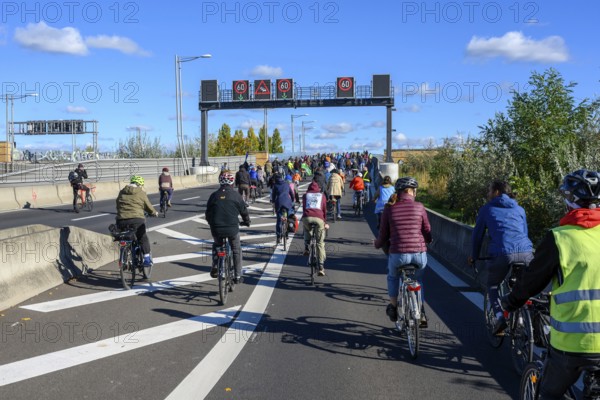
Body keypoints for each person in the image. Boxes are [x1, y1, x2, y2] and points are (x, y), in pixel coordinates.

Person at [501, 169, 600, 399]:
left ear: (571, 201)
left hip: (572, 344)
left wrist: (511, 301)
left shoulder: (559, 238)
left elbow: (532, 281)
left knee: (548, 393)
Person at [468, 180, 534, 335]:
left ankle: (499, 318)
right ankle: (525, 320)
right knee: (524, 286)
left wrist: (474, 256)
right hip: (526, 252)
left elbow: (477, 236)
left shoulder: (487, 209)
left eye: (489, 190)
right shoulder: (520, 209)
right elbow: (524, 232)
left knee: (492, 285)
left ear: (497, 192)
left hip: (502, 253)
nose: (487, 193)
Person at [374, 177, 432, 327]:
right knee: (418, 281)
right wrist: (428, 240)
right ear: (411, 191)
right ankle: (420, 311)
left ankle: (393, 307)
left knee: (393, 277)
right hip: (419, 255)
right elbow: (427, 230)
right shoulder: (420, 207)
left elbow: (383, 234)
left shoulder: (389, 208)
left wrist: (377, 244)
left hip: (398, 254)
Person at [205, 172, 251, 283]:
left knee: (217, 245)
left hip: (216, 228)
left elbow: (207, 214)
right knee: (236, 249)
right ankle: (238, 275)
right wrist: (246, 221)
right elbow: (244, 211)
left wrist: (212, 223)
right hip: (232, 229)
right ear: (232, 183)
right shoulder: (236, 196)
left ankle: (215, 264)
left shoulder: (214, 196)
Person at [116, 175, 158, 267]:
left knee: (125, 238)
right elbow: (148, 206)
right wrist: (154, 213)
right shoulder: (141, 192)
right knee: (142, 237)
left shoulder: (122, 192)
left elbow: (118, 205)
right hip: (136, 220)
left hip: (121, 220)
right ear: (139, 184)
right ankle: (146, 259)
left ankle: (125, 256)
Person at [302, 181, 330, 276]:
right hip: (319, 218)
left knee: (306, 228)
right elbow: (324, 210)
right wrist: (325, 222)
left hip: (307, 217)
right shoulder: (322, 196)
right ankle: (321, 267)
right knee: (320, 243)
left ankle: (306, 246)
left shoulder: (305, 195)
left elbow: (304, 208)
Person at [270, 173, 295, 244]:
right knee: (288, 217)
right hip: (287, 202)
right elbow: (291, 194)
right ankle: (287, 234)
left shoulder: (275, 185)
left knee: (279, 220)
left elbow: (273, 195)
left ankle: (278, 237)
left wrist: (274, 202)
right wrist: (292, 200)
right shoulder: (286, 184)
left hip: (279, 203)